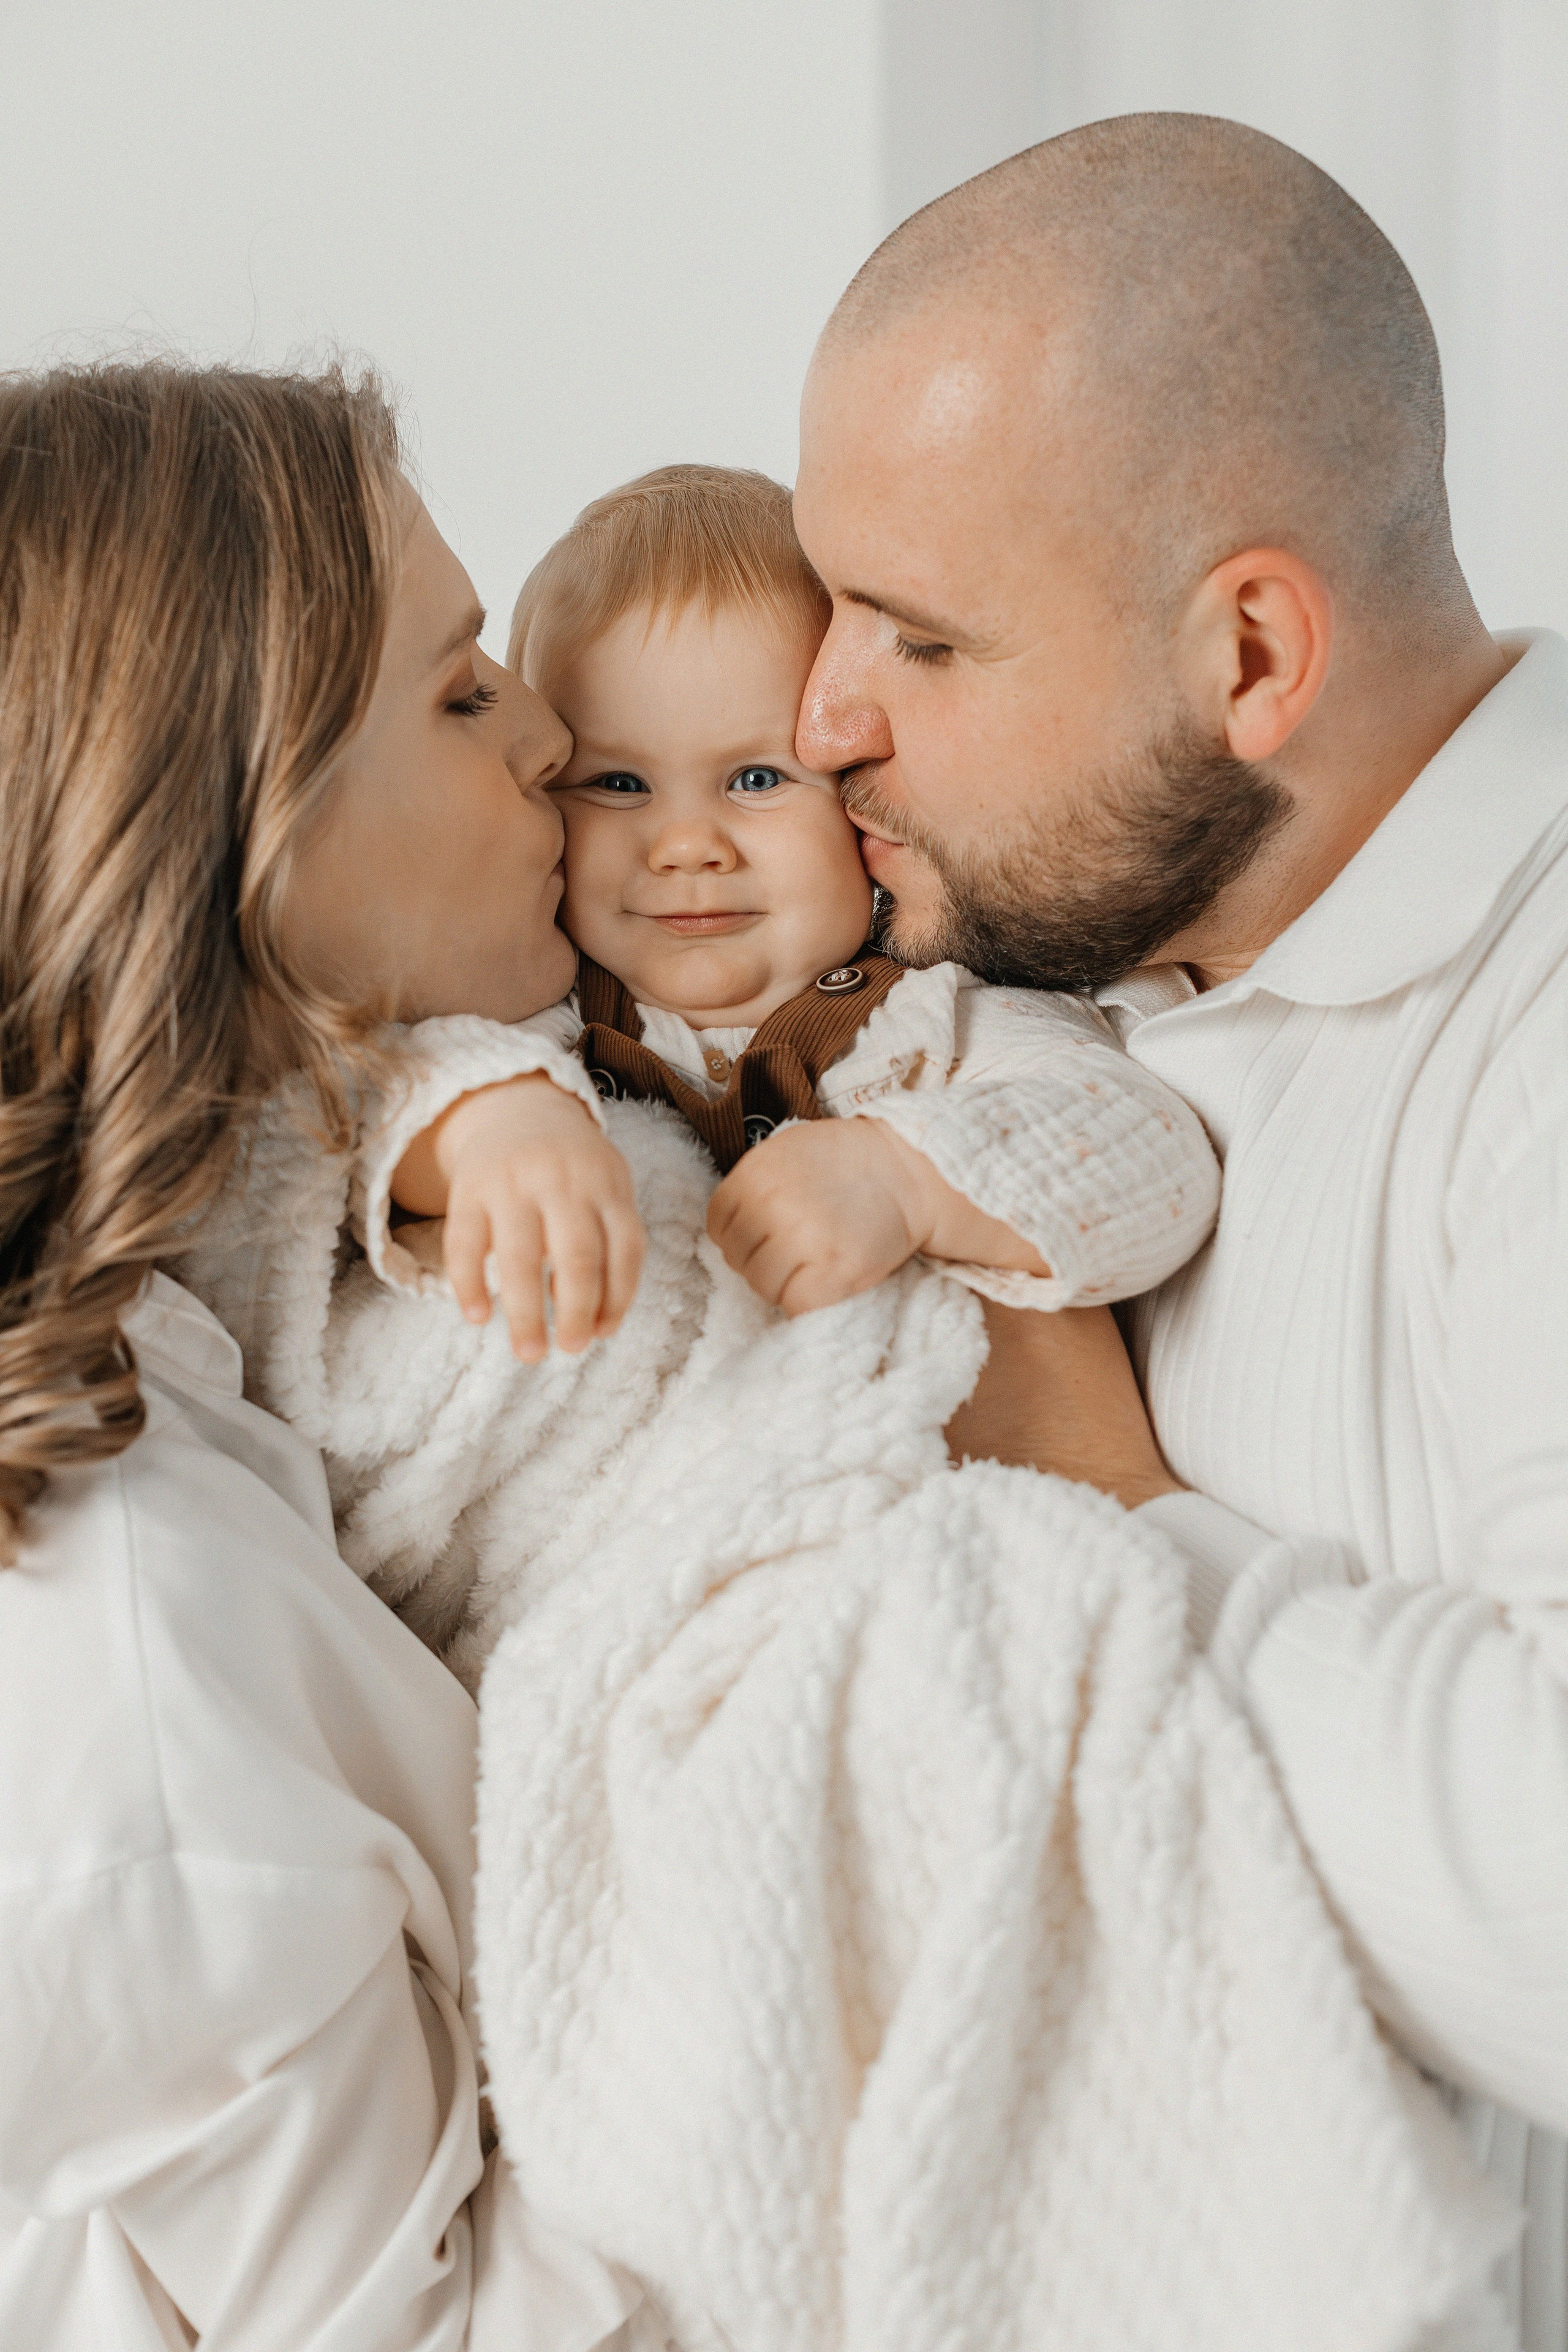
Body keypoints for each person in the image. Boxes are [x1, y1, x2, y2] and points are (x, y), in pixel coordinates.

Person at [790, 110, 1568, 2346]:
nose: (824, 713)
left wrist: (1112, 1510)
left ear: (1250, 653)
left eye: (917, 640)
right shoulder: (1057, 974)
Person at [0, 359, 649, 2351]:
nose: (558, 734)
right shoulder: (135, 1658)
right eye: (464, 694)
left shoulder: (223, 1337)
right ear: (231, 841)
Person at [383, 460, 1218, 1350]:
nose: (687, 845)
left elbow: (1155, 1155)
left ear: (856, 795)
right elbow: (369, 1093)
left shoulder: (935, 1017)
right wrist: (493, 1129)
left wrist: (907, 1179)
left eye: (755, 779)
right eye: (620, 783)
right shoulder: (531, 1017)